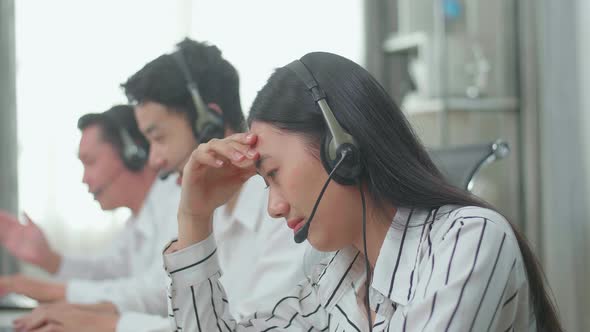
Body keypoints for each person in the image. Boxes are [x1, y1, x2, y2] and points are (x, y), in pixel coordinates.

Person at [162, 52, 563, 331]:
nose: (274, 206)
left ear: (342, 150)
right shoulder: (339, 276)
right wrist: (195, 219)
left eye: (275, 174)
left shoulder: (470, 241)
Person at [15, 39, 310, 332]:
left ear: (209, 122)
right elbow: (165, 296)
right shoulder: (213, 212)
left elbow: (241, 328)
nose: (153, 160)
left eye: (159, 138)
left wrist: (109, 324)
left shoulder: (284, 212)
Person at [0, 105, 180, 331]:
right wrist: (49, 259)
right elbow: (108, 273)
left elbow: (159, 292)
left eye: (90, 161)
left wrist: (51, 291)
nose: (84, 179)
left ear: (133, 154)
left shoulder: (177, 202)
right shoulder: (139, 219)